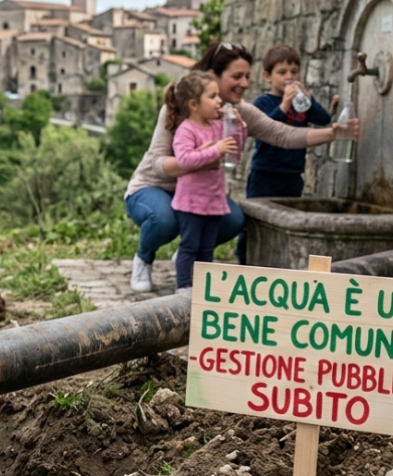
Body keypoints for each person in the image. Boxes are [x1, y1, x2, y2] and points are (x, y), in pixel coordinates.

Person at [124, 41, 358, 290]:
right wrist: (205, 158)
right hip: (153, 188)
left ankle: (188, 252)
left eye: (247, 76)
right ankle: (144, 258)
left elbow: (283, 135)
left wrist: (333, 134)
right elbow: (160, 165)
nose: (245, 83)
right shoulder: (181, 107)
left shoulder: (237, 112)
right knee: (164, 219)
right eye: (237, 76)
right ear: (213, 75)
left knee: (234, 220)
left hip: (197, 192)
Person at [167, 72, 240, 291]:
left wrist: (238, 126)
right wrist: (215, 150)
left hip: (213, 201)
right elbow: (185, 160)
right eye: (213, 96)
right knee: (189, 247)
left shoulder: (218, 126)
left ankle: (204, 289)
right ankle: (183, 288)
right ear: (193, 104)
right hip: (191, 203)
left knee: (207, 249)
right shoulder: (186, 130)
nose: (220, 101)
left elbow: (235, 147)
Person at [246, 45, 336, 199]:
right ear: (268, 76)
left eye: (294, 72)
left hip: (293, 174)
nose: (289, 77)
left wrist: (308, 99)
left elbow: (323, 119)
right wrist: (284, 106)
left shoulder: (301, 102)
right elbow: (265, 129)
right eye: (282, 72)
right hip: (265, 174)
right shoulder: (263, 102)